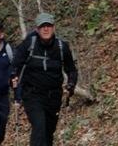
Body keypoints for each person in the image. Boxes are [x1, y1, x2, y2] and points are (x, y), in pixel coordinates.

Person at [11, 13, 78, 146]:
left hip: (54, 97)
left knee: (48, 132)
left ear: (53, 28)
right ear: (37, 29)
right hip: (32, 94)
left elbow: (71, 70)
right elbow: (15, 65)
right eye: (42, 26)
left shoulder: (61, 47)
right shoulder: (29, 44)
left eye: (48, 26)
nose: (46, 29)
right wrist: (13, 77)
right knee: (39, 126)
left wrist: (71, 85)